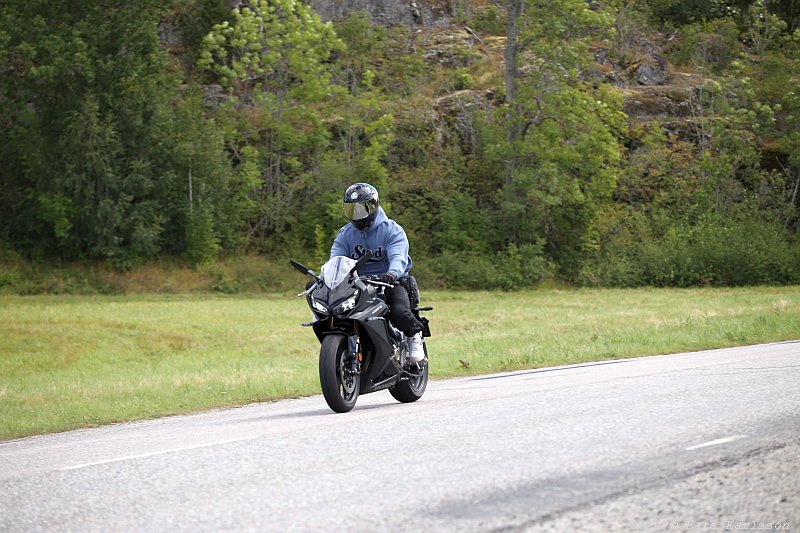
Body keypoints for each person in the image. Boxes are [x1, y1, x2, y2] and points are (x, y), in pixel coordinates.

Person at [331, 183, 425, 363]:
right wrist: (328, 277)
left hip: (390, 282)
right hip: (357, 285)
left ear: (373, 206)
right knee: (337, 313)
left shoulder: (392, 230)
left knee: (398, 311)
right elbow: (335, 260)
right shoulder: (345, 234)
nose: (356, 215)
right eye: (352, 210)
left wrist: (392, 273)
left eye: (360, 209)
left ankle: (414, 335)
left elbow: (398, 257)